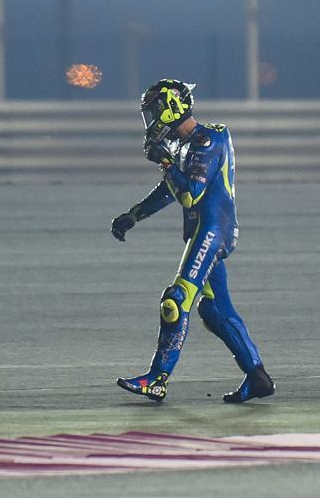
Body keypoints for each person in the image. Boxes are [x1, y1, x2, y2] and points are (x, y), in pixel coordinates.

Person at [111, 79, 274, 403]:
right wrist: (135, 214)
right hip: (205, 231)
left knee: (175, 301)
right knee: (214, 310)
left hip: (213, 230)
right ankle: (258, 377)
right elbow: (171, 190)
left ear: (173, 107)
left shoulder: (208, 139)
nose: (152, 121)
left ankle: (157, 379)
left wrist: (166, 162)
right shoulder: (184, 144)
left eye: (155, 112)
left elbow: (189, 194)